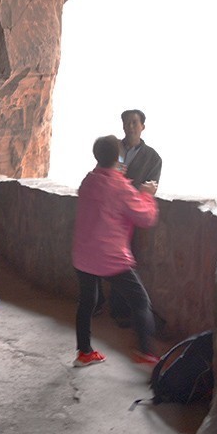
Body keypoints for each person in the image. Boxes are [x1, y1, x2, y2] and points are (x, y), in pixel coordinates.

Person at [71, 135, 160, 368]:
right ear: (119, 157)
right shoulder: (120, 186)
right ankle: (146, 351)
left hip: (83, 254)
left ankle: (84, 352)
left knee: (87, 302)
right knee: (140, 301)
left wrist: (114, 169)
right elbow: (145, 217)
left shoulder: (88, 180)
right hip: (110, 257)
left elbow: (102, 179)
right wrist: (147, 195)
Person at [120, 109, 162, 187]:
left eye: (134, 122)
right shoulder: (112, 149)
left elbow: (150, 189)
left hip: (133, 198)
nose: (130, 126)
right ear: (123, 126)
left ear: (143, 126)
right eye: (127, 123)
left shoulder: (153, 158)